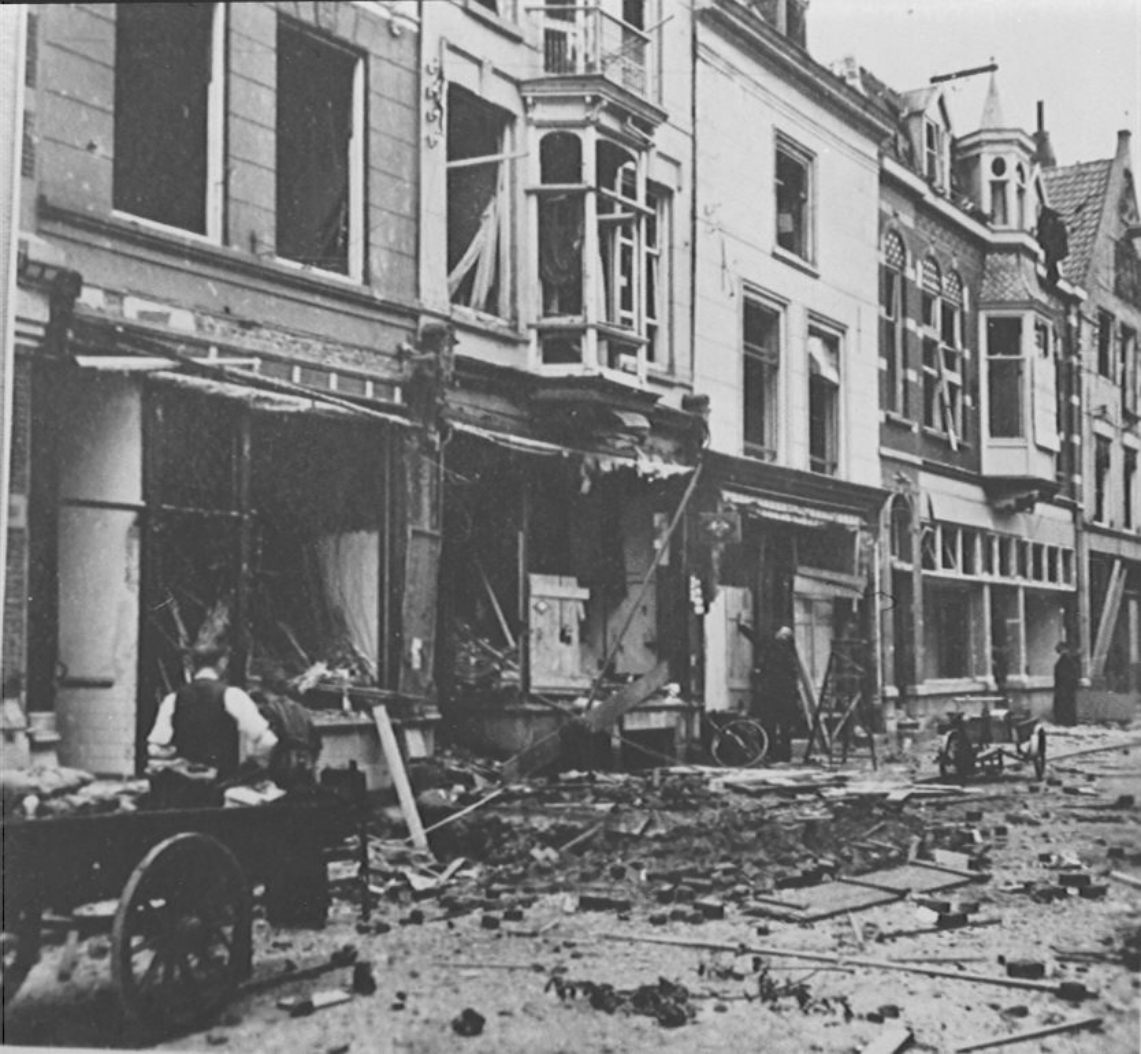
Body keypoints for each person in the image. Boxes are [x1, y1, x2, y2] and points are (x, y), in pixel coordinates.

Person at [148, 643, 278, 782]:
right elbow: (268, 741)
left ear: (191, 664)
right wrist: (252, 767)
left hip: (183, 786)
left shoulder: (173, 699)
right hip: (223, 783)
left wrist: (176, 762)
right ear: (222, 662)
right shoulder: (233, 695)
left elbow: (155, 748)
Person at [1053, 641, 1080, 727]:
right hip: (1065, 687)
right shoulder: (1067, 660)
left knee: (1065, 704)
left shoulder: (1066, 660)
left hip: (1065, 687)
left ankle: (1065, 721)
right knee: (1066, 704)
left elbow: (1072, 673)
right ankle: (1066, 721)